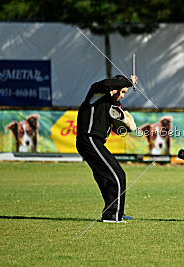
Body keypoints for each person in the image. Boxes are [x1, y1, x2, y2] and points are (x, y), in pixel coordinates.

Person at [76, 74, 138, 223]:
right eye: (122, 92)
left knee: (105, 178)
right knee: (118, 174)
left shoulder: (112, 104)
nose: (122, 96)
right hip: (89, 139)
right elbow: (105, 84)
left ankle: (116, 212)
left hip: (93, 142)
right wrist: (130, 82)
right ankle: (112, 216)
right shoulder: (96, 92)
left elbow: (119, 130)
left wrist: (127, 124)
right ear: (115, 87)